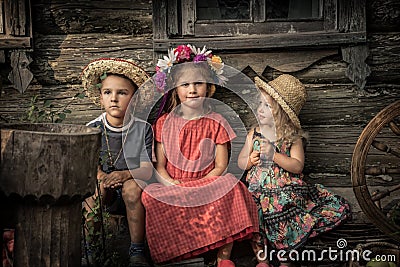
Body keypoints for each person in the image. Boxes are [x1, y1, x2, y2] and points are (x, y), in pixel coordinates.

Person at [141, 44, 259, 267]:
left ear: (209, 88)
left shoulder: (217, 121)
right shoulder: (164, 123)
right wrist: (171, 183)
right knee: (150, 196)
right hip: (177, 184)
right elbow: (161, 165)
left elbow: (220, 165)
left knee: (232, 187)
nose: (192, 89)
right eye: (185, 84)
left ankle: (223, 258)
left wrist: (204, 184)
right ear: (175, 89)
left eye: (198, 83)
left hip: (208, 182)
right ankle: (180, 254)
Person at [238, 74, 351, 267]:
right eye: (259, 104)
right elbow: (240, 162)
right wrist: (249, 161)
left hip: (285, 189)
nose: (260, 109)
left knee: (285, 210)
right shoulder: (254, 133)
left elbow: (298, 166)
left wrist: (274, 155)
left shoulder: (291, 137)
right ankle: (262, 260)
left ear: (281, 112)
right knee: (253, 213)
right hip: (258, 189)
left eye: (267, 106)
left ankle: (286, 258)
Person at [81, 58, 154, 267]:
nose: (114, 98)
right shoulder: (93, 128)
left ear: (134, 99)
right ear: (101, 97)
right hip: (104, 184)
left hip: (131, 183)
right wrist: (103, 177)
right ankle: (90, 248)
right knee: (95, 193)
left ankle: (136, 251)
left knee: (132, 189)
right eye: (107, 93)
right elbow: (89, 165)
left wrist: (123, 175)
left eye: (122, 93)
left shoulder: (142, 128)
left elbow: (147, 169)